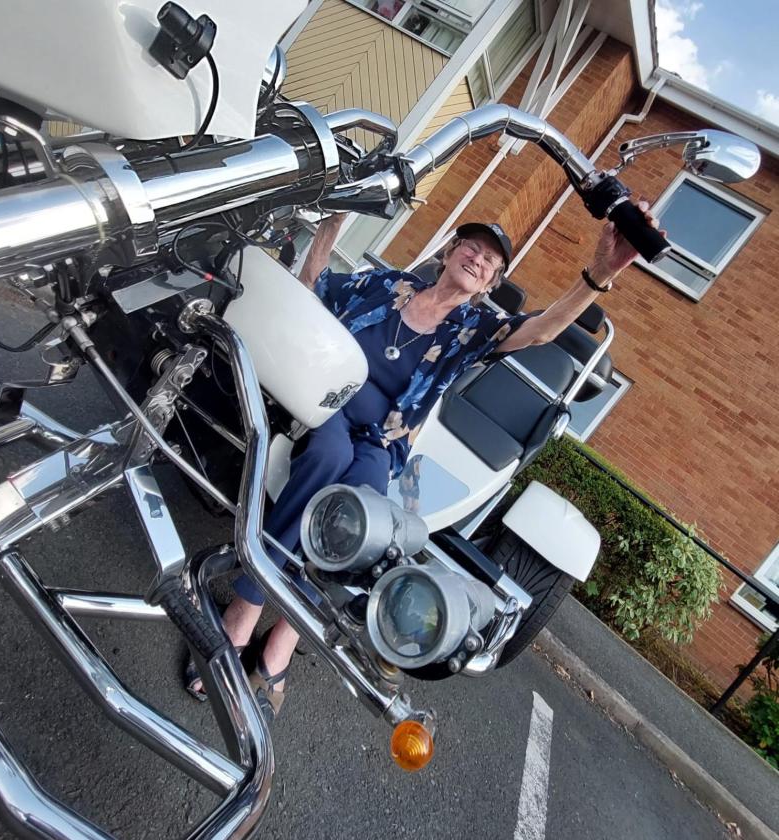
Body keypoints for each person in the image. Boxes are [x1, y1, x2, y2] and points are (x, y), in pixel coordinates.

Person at [186, 204, 662, 718]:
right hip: (327, 403)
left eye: (490, 262)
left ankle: (283, 636)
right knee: (326, 460)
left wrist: (600, 274)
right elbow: (315, 280)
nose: (477, 259)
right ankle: (244, 607)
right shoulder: (389, 285)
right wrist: (336, 219)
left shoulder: (474, 328)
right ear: (448, 252)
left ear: (490, 284)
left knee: (364, 514)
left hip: (380, 441)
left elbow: (542, 332)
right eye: (471, 248)